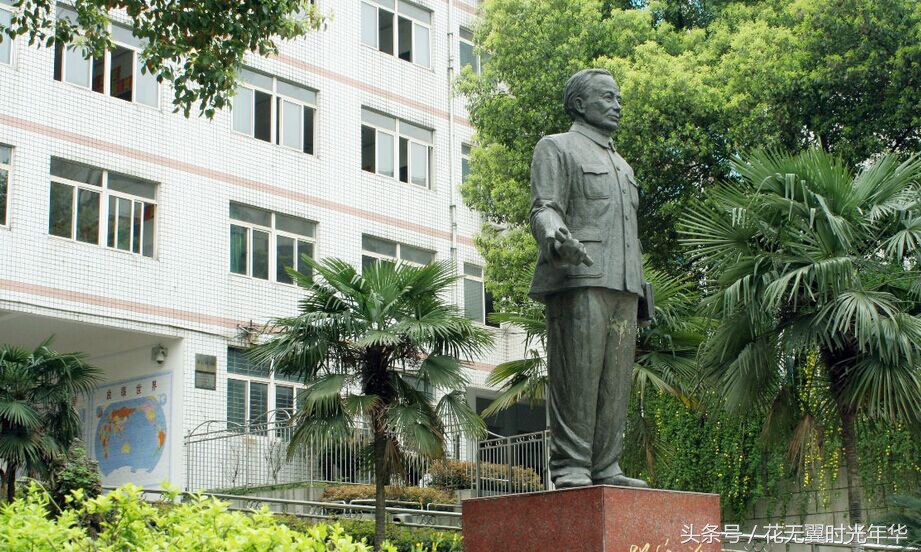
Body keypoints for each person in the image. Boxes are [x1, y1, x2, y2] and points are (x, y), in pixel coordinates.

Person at [529, 68, 649, 489]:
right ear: (580, 104)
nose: (617, 104)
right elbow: (544, 207)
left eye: (619, 98)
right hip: (579, 276)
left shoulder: (622, 165)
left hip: (624, 285)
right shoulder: (557, 148)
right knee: (576, 375)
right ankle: (570, 466)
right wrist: (554, 235)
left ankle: (606, 466)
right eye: (608, 97)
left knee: (615, 382)